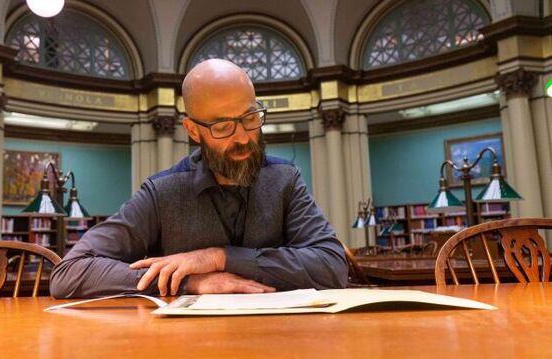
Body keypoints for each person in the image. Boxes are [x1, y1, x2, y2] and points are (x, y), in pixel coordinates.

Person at [49, 59, 348, 298]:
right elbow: (68, 273)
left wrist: (219, 258)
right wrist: (188, 281)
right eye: (222, 127)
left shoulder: (286, 180)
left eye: (250, 118)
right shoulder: (161, 192)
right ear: (193, 131)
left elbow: (333, 266)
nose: (243, 137)